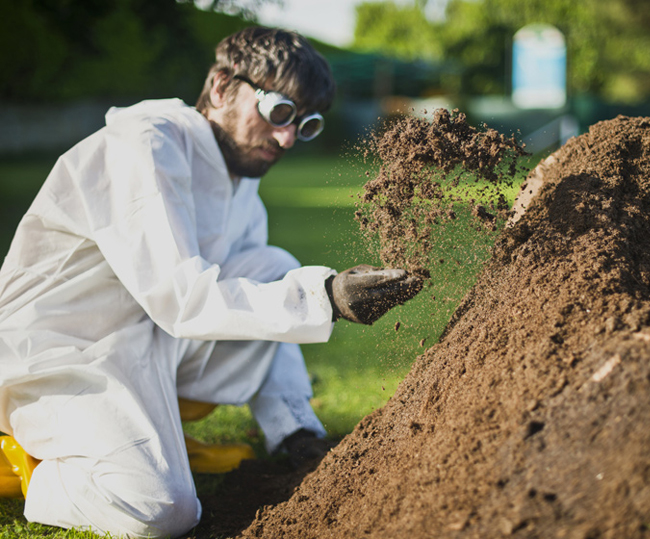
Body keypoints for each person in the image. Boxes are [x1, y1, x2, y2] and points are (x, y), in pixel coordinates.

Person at [0, 26, 421, 537]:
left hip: (148, 344)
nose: (288, 137)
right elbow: (182, 298)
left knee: (274, 267)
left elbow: (257, 297)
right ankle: (46, 472)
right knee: (163, 510)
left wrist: (300, 430)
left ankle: (291, 429)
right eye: (279, 111)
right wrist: (327, 296)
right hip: (57, 353)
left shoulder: (239, 183)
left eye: (305, 124)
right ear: (221, 87)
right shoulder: (146, 145)